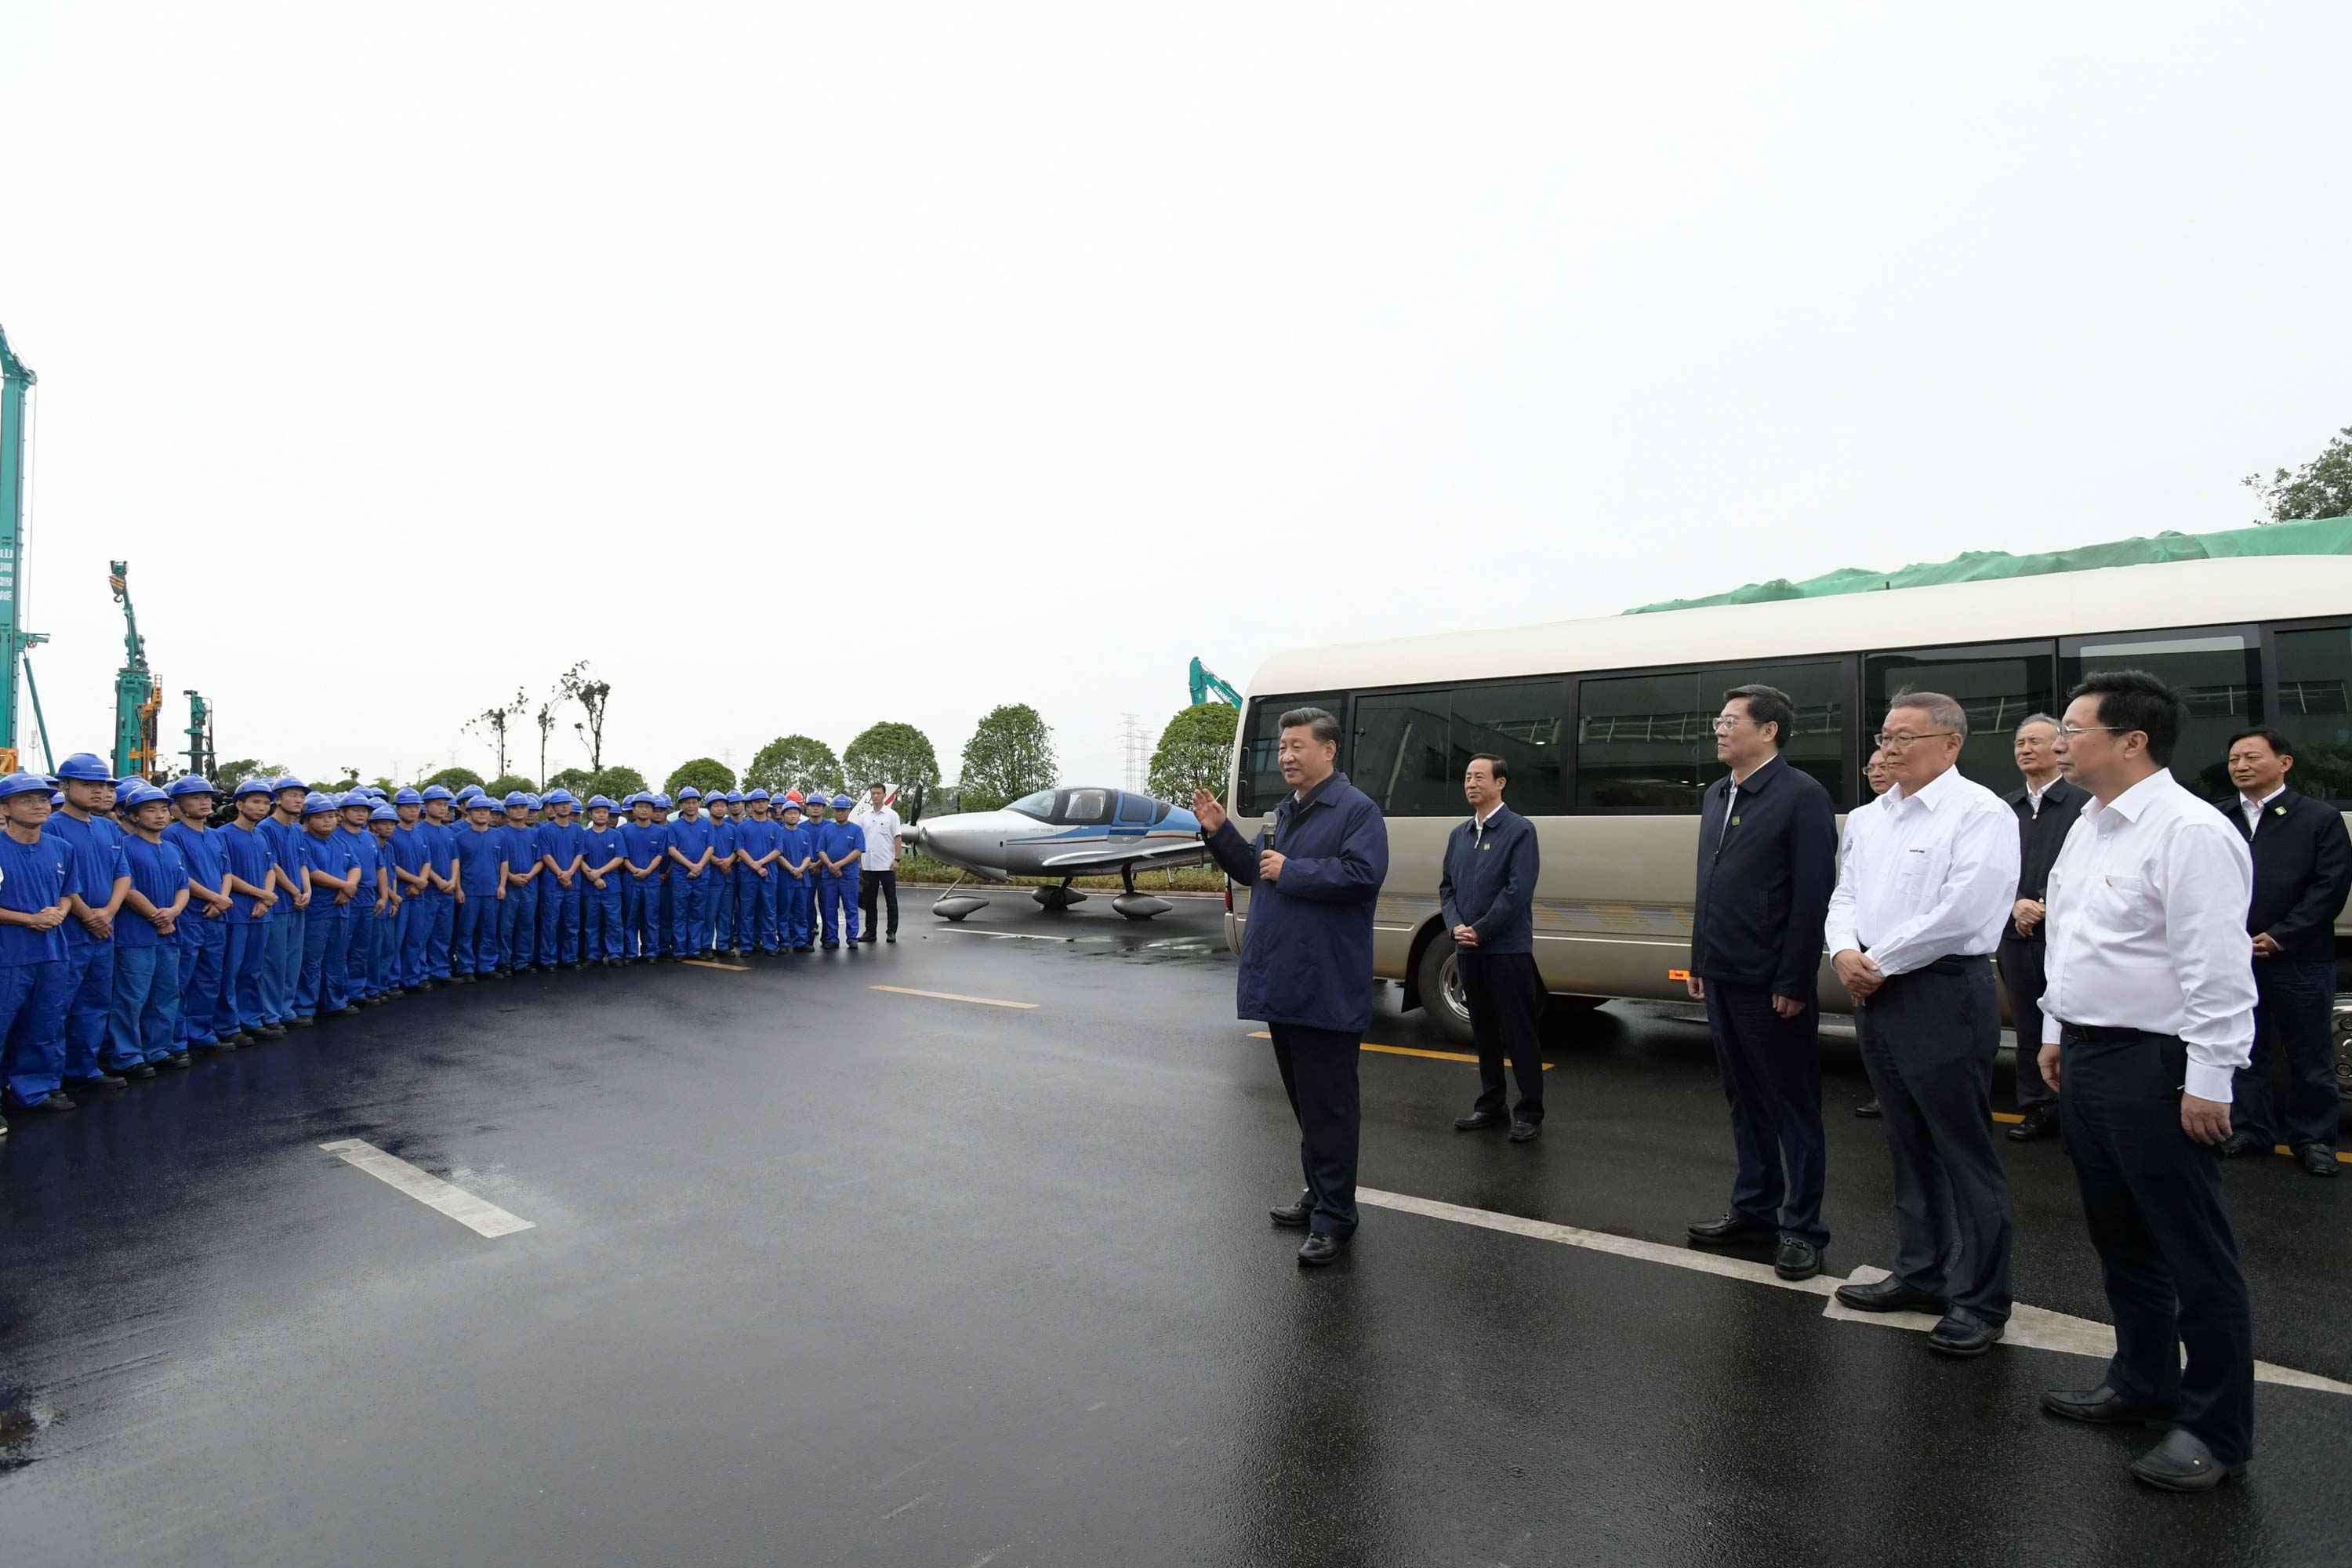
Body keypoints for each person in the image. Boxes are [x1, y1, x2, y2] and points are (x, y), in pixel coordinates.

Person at [2036, 670, 2261, 1491]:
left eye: (2074, 726)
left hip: (2157, 1062)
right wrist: (2058, 1030)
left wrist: (2210, 1077)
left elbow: (2216, 967)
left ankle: (2214, 1427)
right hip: (2091, 1053)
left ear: (2132, 740)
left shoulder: (2189, 831)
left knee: (2193, 1249)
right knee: (2121, 1236)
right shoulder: (2091, 824)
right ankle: (2141, 1379)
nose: (2061, 740)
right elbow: (2074, 940)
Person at [1825, 691, 2020, 1357]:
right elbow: (1844, 893)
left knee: (1963, 1149)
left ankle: (1982, 1300)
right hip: (1876, 992)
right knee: (1906, 1142)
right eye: (1885, 736)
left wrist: (1878, 960)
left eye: (1906, 737)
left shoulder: (1981, 813)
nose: (1890, 748)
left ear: (1951, 743)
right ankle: (1920, 1273)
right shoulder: (1872, 817)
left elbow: (1966, 912)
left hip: (1941, 992)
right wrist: (1845, 951)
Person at [1194, 706, 1390, 1267]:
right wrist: (1220, 833)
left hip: (1325, 984)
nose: (1285, 756)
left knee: (1330, 1108)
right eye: (1281, 748)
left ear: (1328, 750)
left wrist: (1294, 871)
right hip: (1286, 981)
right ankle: (1319, 1194)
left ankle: (1336, 1219)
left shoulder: (1357, 812)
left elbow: (1362, 876)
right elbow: (1257, 868)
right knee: (1307, 1104)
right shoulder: (1286, 811)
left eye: (1296, 746)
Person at [1684, 685, 1839, 1280]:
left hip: (1771, 980)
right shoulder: (1717, 793)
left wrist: (1795, 976)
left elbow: (1811, 893)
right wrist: (1700, 959)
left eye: (1730, 721)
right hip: (1722, 973)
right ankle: (1755, 1211)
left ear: (1769, 730)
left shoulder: (1801, 795)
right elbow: (1710, 884)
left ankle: (1803, 1229)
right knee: (1743, 1099)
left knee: (1792, 1105)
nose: (1719, 731)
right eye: (1717, 720)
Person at [2216, 726, 2350, 1174]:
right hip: (2236, 957)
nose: (2241, 766)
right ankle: (2250, 1129)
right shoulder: (2217, 819)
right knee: (2245, 1050)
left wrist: (2282, 935)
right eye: (2234, 759)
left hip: (2300, 959)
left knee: (2310, 1055)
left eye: (2251, 757)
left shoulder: (2318, 818)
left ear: (2285, 763)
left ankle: (2313, 1139)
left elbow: (2329, 888)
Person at [1442, 753, 1546, 1144]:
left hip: (1506, 950)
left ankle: (1530, 1111)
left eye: (1479, 777)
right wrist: (1455, 926)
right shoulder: (1459, 835)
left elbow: (1518, 892)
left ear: (1500, 783)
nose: (1471, 783)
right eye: (1467, 777)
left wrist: (1481, 930)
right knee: (1483, 1030)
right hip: (1468, 949)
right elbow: (1446, 887)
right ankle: (1491, 1104)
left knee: (1518, 1031)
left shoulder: (1520, 831)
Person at [1998, 714, 2086, 1143]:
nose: (2025, 749)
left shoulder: (2084, 804)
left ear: (2060, 746)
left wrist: (2048, 907)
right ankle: (2036, 1106)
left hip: (2067, 936)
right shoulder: (2003, 808)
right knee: (2028, 1025)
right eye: (2019, 742)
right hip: (2016, 934)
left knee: (2072, 1021)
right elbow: (1990, 870)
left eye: (2035, 740)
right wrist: (2015, 903)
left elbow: (2089, 869)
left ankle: (2076, 1109)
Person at [48, 753, 135, 1094]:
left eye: (104, 786)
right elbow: (60, 882)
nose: (100, 792)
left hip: (104, 928)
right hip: (70, 930)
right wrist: (88, 915)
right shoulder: (52, 826)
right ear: (65, 786)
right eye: (89, 785)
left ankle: (85, 1068)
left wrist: (109, 912)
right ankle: (51, 1078)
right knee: (57, 1005)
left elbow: (123, 874)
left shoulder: (108, 828)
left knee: (96, 1003)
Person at [0, 771, 78, 1121]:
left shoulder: (62, 849)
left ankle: (33, 1089)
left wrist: (58, 914)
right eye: (27, 800)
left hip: (52, 953)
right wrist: (29, 919)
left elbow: (66, 895)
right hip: (9, 954)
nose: (38, 806)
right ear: (5, 808)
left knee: (44, 1024)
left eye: (44, 800)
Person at [109, 782, 191, 1074]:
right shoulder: (125, 847)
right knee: (132, 996)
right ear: (133, 816)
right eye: (150, 810)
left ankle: (158, 1048)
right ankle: (127, 1055)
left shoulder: (172, 849)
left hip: (169, 931)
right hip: (136, 934)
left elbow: (183, 886)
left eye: (164, 809)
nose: (159, 815)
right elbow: (126, 887)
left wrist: (175, 911)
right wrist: (158, 915)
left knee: (167, 993)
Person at [163, 776, 234, 1051]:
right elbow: (182, 877)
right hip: (191, 915)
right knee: (183, 977)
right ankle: (177, 1039)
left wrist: (223, 898)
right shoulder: (172, 835)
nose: (205, 802)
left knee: (210, 976)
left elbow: (226, 871)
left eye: (207, 797)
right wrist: (214, 897)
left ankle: (202, 1033)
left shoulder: (216, 835)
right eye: (196, 797)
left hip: (217, 915)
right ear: (178, 804)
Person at [219, 778, 285, 1040]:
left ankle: (252, 1019)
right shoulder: (223, 835)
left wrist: (266, 898)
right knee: (232, 969)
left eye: (266, 803)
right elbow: (227, 874)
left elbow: (270, 868)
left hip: (261, 912)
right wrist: (262, 895)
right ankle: (229, 1024)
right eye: (255, 802)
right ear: (239, 804)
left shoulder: (261, 835)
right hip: (237, 912)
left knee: (254, 970)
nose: (261, 808)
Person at [1849, 746, 1896, 1121]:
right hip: (1865, 941)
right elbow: (1849, 883)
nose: (1877, 773)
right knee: (1870, 1027)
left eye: (1884, 766)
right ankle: (1882, 1090)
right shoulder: (1861, 818)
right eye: (1871, 768)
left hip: (1902, 944)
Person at [296, 793, 363, 1018]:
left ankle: (335, 1001)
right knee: (312, 958)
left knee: (337, 956)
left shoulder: (339, 841)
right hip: (318, 909)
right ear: (307, 819)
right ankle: (306, 1007)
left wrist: (349, 886)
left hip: (341, 907)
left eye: (332, 816)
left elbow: (355, 866)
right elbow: (313, 872)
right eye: (320, 817)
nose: (328, 821)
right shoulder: (304, 841)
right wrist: (345, 886)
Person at [263, 775, 312, 1028]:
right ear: (278, 799)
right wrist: (295, 891)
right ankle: (271, 1013)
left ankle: (286, 1007)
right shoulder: (265, 828)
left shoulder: (295, 829)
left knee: (293, 959)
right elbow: (273, 865)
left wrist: (307, 890)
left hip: (298, 903)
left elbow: (303, 862)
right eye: (292, 795)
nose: (298, 800)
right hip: (280, 904)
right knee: (275, 961)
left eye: (301, 796)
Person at [453, 793, 505, 980]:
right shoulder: (460, 837)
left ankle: (487, 965)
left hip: (492, 890)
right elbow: (456, 866)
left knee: (489, 929)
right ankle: (466, 967)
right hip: (469, 892)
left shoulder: (499, 836)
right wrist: (458, 889)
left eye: (486, 811)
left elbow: (503, 863)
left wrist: (502, 885)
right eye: (478, 810)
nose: (483, 814)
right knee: (466, 930)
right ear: (469, 812)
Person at [536, 788, 586, 969]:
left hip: (573, 883)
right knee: (550, 922)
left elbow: (580, 854)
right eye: (560, 804)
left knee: (572, 923)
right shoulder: (545, 830)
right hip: (552, 883)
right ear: (553, 807)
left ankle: (570, 958)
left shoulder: (578, 830)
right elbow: (546, 855)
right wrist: (560, 874)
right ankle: (549, 960)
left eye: (567, 803)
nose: (564, 807)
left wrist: (569, 873)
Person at [418, 785, 461, 984]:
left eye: (446, 805)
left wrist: (452, 880)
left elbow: (455, 859)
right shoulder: (419, 830)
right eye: (438, 804)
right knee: (423, 933)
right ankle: (422, 973)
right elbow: (422, 861)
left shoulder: (449, 832)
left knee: (444, 933)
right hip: (429, 890)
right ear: (425, 806)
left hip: (448, 890)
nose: (444, 809)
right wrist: (438, 880)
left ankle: (440, 971)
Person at [667, 786, 717, 957]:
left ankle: (694, 949)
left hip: (702, 875)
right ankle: (680, 949)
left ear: (699, 804)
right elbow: (672, 849)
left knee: (698, 913)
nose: (691, 806)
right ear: (681, 805)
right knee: (680, 914)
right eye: (687, 803)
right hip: (681, 876)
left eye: (694, 802)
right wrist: (691, 866)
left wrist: (699, 867)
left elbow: (710, 847)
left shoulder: (706, 824)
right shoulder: (674, 826)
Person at [579, 796, 626, 966]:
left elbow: (620, 857)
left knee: (614, 921)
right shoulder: (583, 835)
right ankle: (593, 954)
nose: (601, 815)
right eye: (597, 812)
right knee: (592, 922)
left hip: (611, 886)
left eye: (605, 812)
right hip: (590, 886)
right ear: (591, 814)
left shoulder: (616, 835)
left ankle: (615, 954)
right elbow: (579, 858)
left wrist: (600, 872)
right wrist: (592, 875)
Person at [499, 792, 543, 975]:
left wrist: (530, 875)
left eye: (523, 807)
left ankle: (523, 961)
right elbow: (497, 862)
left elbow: (541, 859)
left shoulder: (535, 834)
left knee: (527, 923)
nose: (519, 811)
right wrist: (511, 877)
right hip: (509, 885)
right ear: (507, 811)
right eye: (515, 808)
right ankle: (504, 962)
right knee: (506, 925)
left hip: (529, 885)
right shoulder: (499, 834)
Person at [854, 783, 903, 945]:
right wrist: (859, 861)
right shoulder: (865, 817)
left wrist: (897, 859)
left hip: (887, 865)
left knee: (891, 900)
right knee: (869, 901)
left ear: (883, 795)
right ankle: (870, 932)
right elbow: (859, 840)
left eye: (878, 793)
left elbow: (897, 837)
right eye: (873, 794)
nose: (875, 796)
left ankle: (891, 932)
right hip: (868, 865)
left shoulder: (892, 815)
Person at [620, 793, 666, 962]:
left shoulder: (660, 832)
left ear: (652, 810)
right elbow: (622, 855)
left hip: (652, 881)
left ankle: (651, 952)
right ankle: (631, 953)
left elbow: (660, 855)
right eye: (640, 806)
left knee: (651, 918)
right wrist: (634, 870)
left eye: (647, 807)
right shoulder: (624, 831)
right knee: (630, 918)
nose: (644, 810)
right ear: (633, 809)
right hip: (631, 880)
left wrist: (647, 871)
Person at [734, 789, 781, 956]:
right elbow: (739, 849)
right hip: (748, 874)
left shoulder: (775, 827)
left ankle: (770, 945)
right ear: (751, 805)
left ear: (767, 804)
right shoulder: (743, 827)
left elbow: (778, 850)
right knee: (747, 911)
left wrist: (760, 863)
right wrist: (754, 866)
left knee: (769, 910)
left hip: (769, 874)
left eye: (763, 801)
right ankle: (747, 945)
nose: (760, 804)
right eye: (757, 802)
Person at [367, 805, 405, 997]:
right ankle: (373, 987)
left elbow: (392, 873)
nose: (389, 827)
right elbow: (375, 875)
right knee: (375, 947)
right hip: (376, 900)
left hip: (390, 900)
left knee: (389, 946)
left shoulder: (389, 847)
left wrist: (395, 899)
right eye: (384, 823)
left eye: (392, 824)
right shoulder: (370, 844)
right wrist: (391, 895)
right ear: (373, 826)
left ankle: (383, 983)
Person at [778, 797, 815, 952]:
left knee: (801, 912)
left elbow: (809, 855)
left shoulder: (805, 834)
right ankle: (785, 942)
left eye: (795, 813)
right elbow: (778, 854)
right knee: (784, 912)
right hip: (785, 879)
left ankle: (800, 941)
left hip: (802, 879)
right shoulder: (778, 832)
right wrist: (792, 869)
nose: (793, 816)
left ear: (799, 815)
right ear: (783, 815)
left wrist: (801, 869)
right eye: (789, 813)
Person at [707, 792, 741, 955]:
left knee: (726, 914)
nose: (720, 809)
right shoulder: (705, 828)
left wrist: (729, 861)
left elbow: (738, 849)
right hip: (711, 878)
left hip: (729, 876)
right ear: (709, 808)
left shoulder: (732, 829)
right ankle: (706, 946)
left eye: (722, 806)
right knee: (709, 913)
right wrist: (718, 862)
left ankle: (724, 945)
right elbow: (703, 850)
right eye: (716, 805)